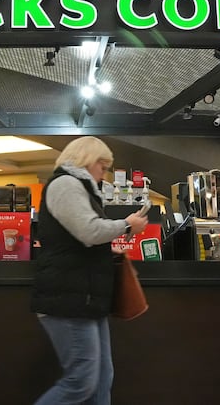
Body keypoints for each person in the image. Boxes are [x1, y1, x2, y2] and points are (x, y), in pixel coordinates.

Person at [31, 136, 148, 405]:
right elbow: (89, 231)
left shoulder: (76, 186)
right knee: (81, 382)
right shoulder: (66, 185)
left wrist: (106, 250)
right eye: (102, 165)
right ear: (86, 161)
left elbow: (77, 239)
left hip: (82, 297)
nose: (103, 173)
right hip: (69, 299)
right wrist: (126, 225)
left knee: (100, 379)